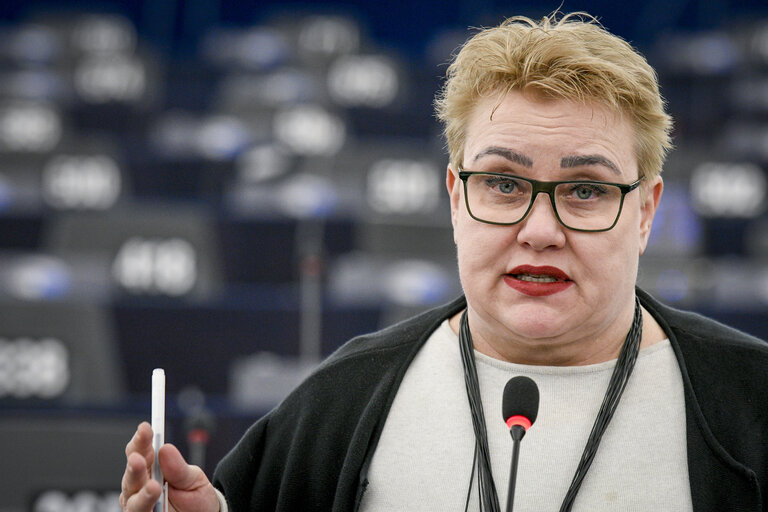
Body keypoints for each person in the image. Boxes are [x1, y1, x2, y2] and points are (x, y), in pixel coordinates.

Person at [121, 12, 768, 512]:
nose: (539, 231)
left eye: (586, 190)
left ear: (647, 213)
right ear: (456, 199)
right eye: (504, 185)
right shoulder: (342, 402)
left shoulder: (749, 401)